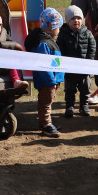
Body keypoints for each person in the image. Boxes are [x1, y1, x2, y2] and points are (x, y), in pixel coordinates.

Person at [24, 8, 65, 138]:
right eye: (58, 27)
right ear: (52, 27)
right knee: (45, 103)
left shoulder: (47, 40)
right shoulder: (43, 43)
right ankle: (46, 124)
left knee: (48, 101)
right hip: (47, 80)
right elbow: (44, 65)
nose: (59, 30)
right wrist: (51, 82)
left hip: (52, 79)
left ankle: (47, 122)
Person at [57, 5, 96, 118]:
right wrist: (64, 62)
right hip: (70, 69)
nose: (76, 21)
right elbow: (60, 49)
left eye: (79, 18)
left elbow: (92, 47)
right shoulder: (63, 34)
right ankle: (69, 107)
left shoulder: (87, 32)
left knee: (85, 89)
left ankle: (84, 106)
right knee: (69, 89)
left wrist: (89, 61)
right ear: (68, 20)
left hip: (84, 69)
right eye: (73, 18)